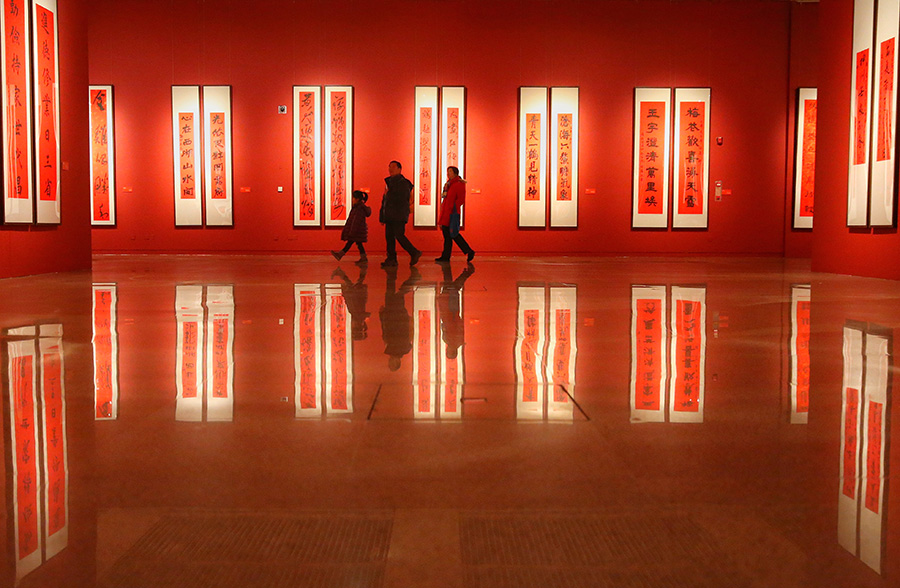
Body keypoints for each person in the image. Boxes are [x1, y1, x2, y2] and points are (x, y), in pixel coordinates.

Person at [379, 160, 422, 268]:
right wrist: (382, 216)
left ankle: (414, 252)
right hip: (390, 215)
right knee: (389, 237)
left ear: (399, 169)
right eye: (389, 167)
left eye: (393, 167)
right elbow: (385, 200)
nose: (390, 169)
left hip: (398, 214)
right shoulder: (389, 183)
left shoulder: (403, 183)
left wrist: (390, 197)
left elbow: (401, 199)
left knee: (399, 235)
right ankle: (391, 258)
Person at [434, 166, 475, 263]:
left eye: (450, 172)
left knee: (454, 234)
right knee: (448, 236)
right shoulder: (448, 184)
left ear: (455, 173)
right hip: (446, 213)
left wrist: (453, 208)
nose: (448, 174)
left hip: (452, 213)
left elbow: (461, 199)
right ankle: (446, 256)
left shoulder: (459, 184)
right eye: (447, 171)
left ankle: (468, 251)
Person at [332, 190, 370, 264]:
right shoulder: (358, 207)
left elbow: (356, 221)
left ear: (357, 199)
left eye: (353, 198)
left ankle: (340, 254)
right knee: (357, 243)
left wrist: (352, 231)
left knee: (352, 242)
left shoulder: (359, 209)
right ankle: (363, 257)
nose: (352, 200)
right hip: (357, 230)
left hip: (356, 230)